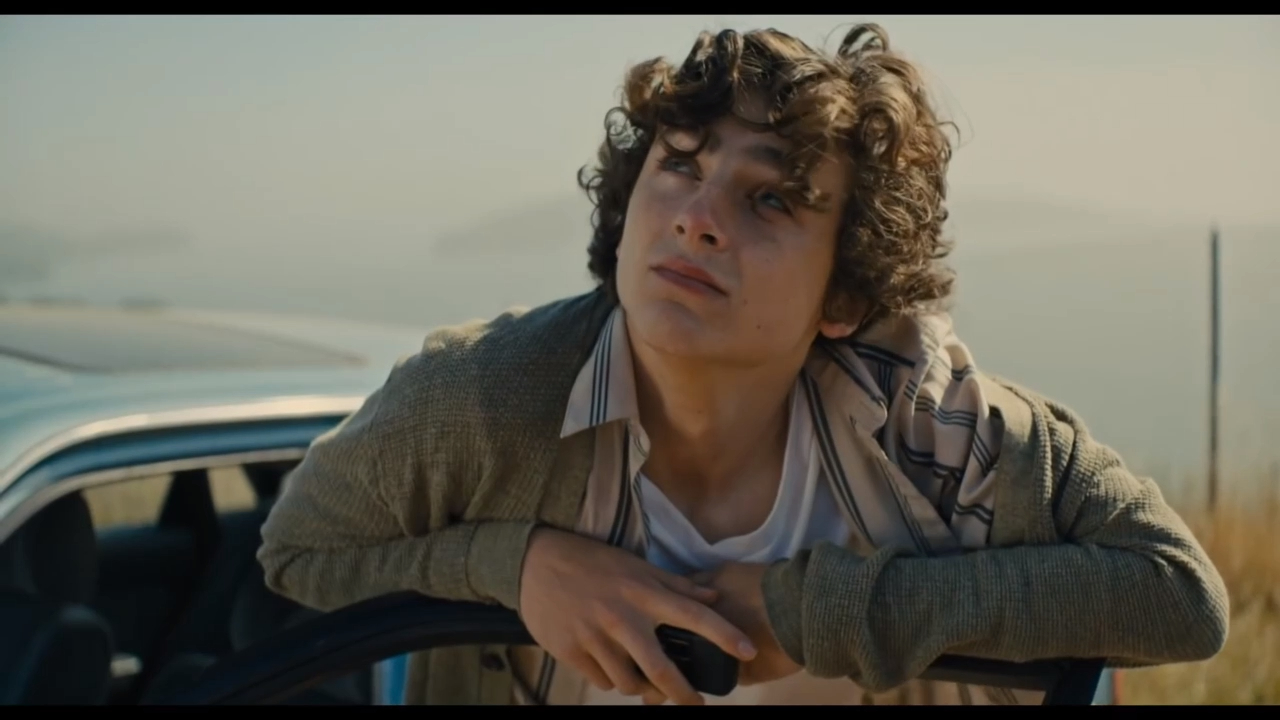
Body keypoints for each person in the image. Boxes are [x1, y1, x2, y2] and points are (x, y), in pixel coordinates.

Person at [256, 22, 1229, 705]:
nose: (697, 217)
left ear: (842, 296)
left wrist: (818, 612)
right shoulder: (481, 398)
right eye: (680, 162)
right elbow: (296, 560)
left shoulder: (934, 431)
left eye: (770, 200)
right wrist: (516, 569)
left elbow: (1176, 595)